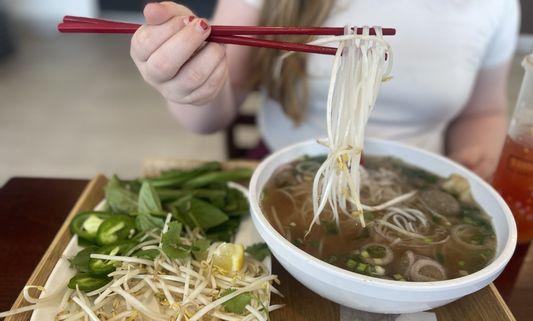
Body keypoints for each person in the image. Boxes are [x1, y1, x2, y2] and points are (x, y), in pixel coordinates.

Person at [130, 0, 520, 180]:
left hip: (416, 180)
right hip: (285, 173)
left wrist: (476, 158)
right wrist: (186, 76)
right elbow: (216, 102)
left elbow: (482, 111)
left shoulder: (494, 6)